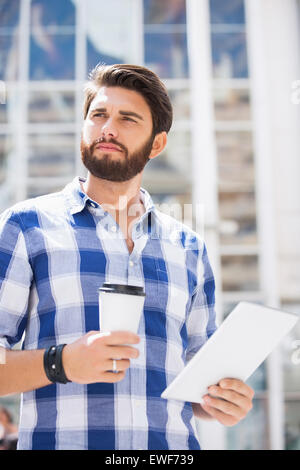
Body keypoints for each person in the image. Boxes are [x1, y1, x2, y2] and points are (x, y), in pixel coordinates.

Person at [0, 63, 254, 450]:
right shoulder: (25, 227)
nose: (108, 128)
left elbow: (197, 385)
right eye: (98, 115)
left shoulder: (189, 249)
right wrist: (62, 362)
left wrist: (222, 400)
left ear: (157, 144)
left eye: (128, 119)